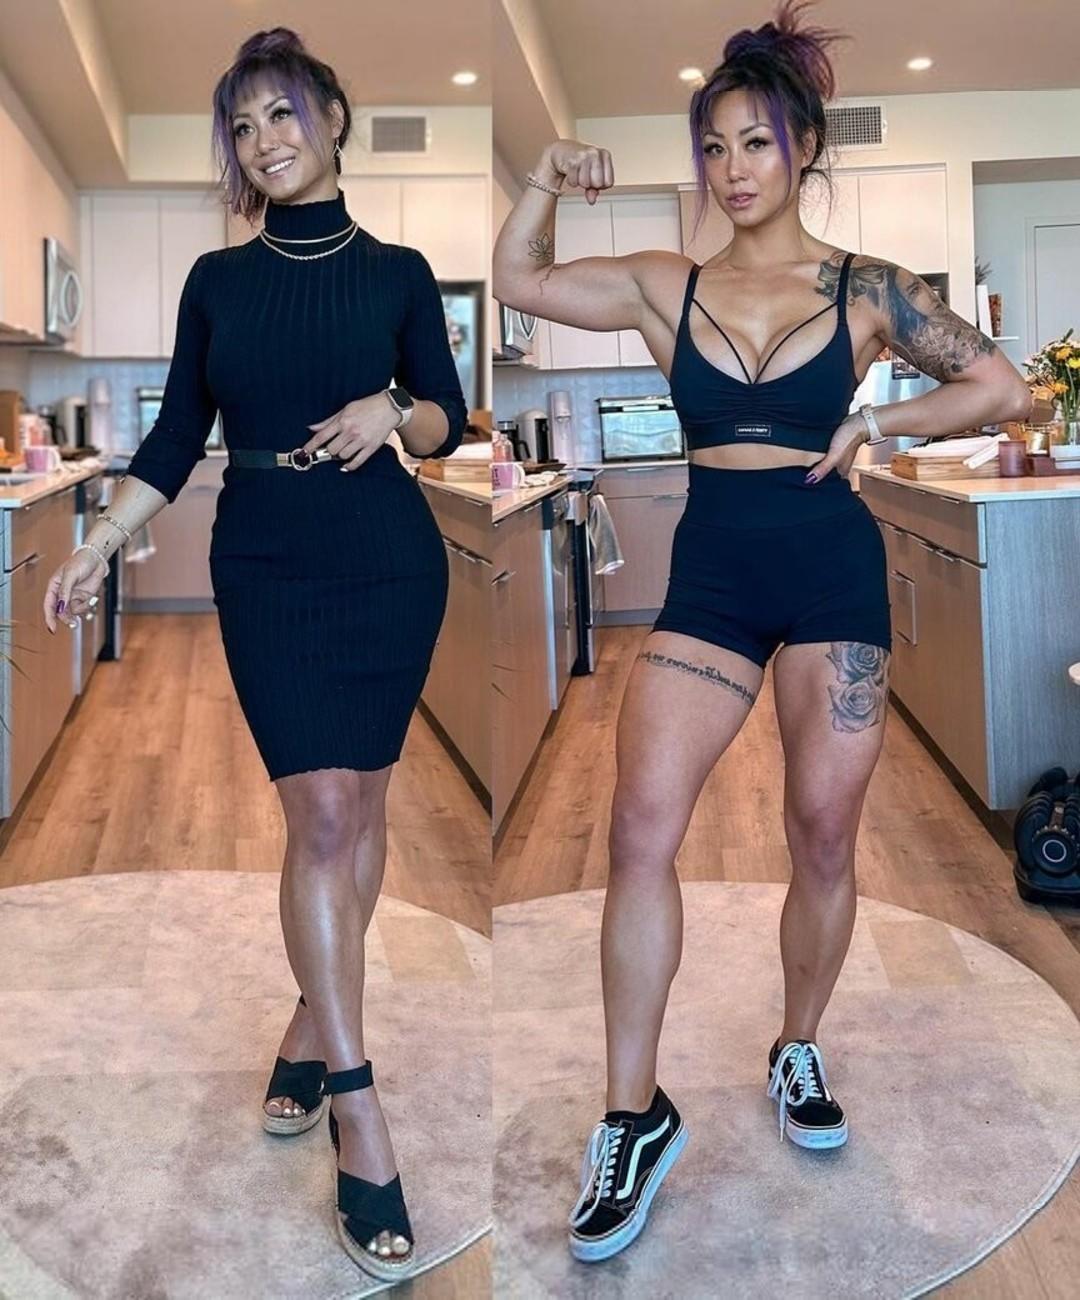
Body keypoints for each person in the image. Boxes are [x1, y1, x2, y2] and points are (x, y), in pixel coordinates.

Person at [492, 0, 1031, 1265]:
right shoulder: (664, 285)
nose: (732, 169)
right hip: (715, 580)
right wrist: (544, 178)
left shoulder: (865, 288)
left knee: (823, 830)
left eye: (755, 143)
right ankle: (632, 1114)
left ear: (802, 150)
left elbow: (1000, 384)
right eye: (713, 147)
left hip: (832, 572)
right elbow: (517, 280)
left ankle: (797, 1043)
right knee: (640, 825)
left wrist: (877, 424)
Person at [41, 27, 466, 1281]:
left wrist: (396, 405)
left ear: (332, 118)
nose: (265, 139)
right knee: (321, 815)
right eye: (243, 123)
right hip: (268, 560)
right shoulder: (217, 282)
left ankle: (307, 1022)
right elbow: (178, 434)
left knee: (362, 807)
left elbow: (447, 419)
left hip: (387, 557)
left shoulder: (399, 273)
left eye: (283, 113)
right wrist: (100, 540)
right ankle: (359, 1108)